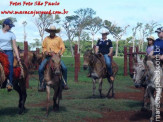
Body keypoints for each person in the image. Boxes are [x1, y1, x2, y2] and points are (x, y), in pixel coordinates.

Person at [38, 25, 68, 92]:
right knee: (40, 69)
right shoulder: (46, 39)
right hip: (48, 57)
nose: (52, 32)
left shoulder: (59, 39)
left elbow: (62, 47)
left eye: (53, 31)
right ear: (49, 31)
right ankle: (42, 85)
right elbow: (43, 47)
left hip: (56, 57)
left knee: (64, 68)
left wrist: (59, 53)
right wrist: (46, 52)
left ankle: (64, 83)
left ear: (55, 32)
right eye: (51, 31)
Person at [0, 18, 21, 91]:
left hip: (8, 51)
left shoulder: (12, 34)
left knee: (10, 65)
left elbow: (14, 46)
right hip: (0, 51)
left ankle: (9, 82)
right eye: (9, 26)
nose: (10, 27)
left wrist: (18, 56)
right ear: (5, 25)